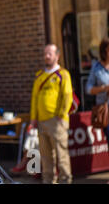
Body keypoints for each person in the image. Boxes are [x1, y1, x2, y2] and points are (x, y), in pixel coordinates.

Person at [29, 44, 73, 184]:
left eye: (50, 53)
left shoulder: (63, 74)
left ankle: (66, 180)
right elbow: (35, 98)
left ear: (57, 56)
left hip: (57, 121)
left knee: (62, 156)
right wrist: (33, 119)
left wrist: (61, 115)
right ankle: (48, 181)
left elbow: (67, 96)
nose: (47, 56)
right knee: (46, 157)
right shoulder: (39, 76)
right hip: (41, 122)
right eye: (45, 53)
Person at [86, 38, 109, 158]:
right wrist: (104, 88)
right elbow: (88, 89)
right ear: (104, 51)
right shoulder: (96, 68)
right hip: (105, 110)